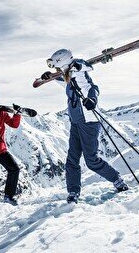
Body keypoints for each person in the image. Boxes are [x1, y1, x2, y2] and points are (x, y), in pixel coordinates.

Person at [42, 49, 128, 204]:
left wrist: (92, 100)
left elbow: (92, 85)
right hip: (75, 122)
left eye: (55, 66)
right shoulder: (69, 76)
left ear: (62, 62)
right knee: (72, 160)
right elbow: (66, 82)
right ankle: (73, 192)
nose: (55, 69)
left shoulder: (79, 71)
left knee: (91, 160)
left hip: (88, 122)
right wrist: (51, 78)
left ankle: (117, 179)